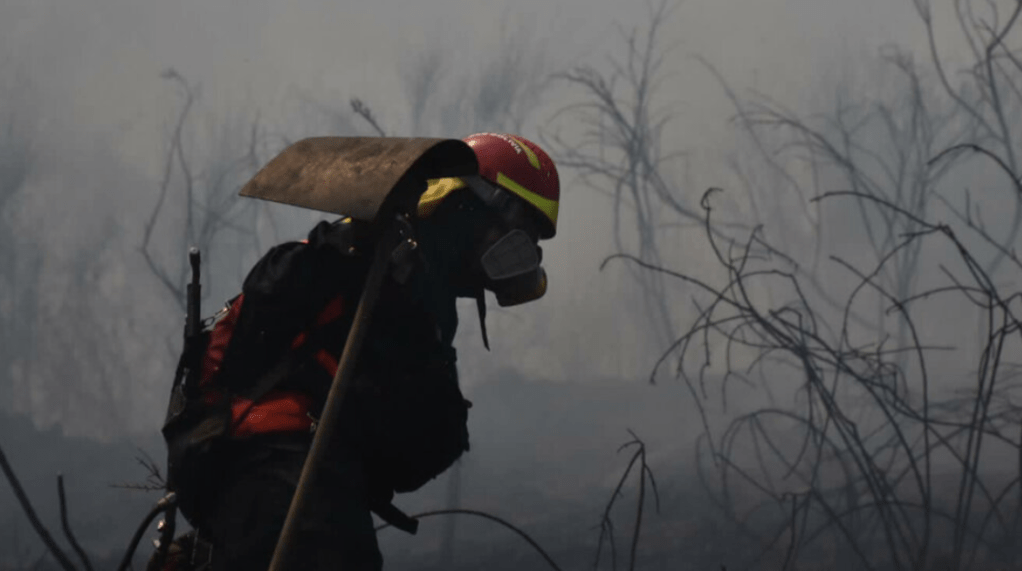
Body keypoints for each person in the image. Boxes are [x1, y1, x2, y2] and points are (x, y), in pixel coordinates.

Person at [153, 133, 560, 571]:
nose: (513, 257)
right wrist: (358, 251)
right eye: (517, 235)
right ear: (470, 207)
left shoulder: (425, 292)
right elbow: (270, 306)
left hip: (305, 479)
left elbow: (418, 442)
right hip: (277, 467)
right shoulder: (366, 253)